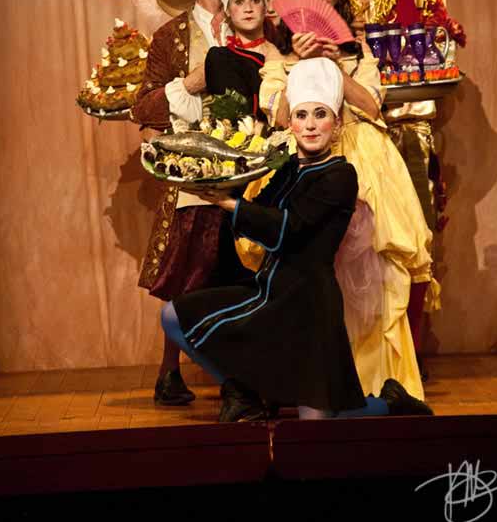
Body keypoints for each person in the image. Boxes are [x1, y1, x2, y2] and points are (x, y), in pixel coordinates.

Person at [160, 58, 434, 421]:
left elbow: (288, 229)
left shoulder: (341, 175)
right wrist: (221, 183)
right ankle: (241, 393)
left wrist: (229, 204)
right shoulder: (287, 169)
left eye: (320, 115)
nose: (310, 124)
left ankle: (390, 403)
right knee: (172, 315)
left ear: (336, 124)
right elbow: (255, 216)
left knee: (316, 420)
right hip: (269, 294)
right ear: (291, 124)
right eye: (302, 115)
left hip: (310, 309)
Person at [258, 0, 433, 401]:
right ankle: (315, 383)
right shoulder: (277, 60)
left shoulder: (359, 55)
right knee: (311, 270)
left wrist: (335, 67)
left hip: (363, 163)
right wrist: (303, 68)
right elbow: (280, 117)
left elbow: (373, 106)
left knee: (374, 274)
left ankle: (376, 383)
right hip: (305, 160)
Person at [326, 0, 467, 359]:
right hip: (349, 135)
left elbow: (444, 55)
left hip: (406, 132)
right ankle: (357, 354)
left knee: (411, 242)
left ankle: (412, 355)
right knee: (353, 245)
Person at [132, 0, 256, 406]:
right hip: (197, 171)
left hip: (254, 166)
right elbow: (143, 107)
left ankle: (246, 375)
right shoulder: (171, 38)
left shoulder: (256, 23)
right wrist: (189, 84)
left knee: (248, 270)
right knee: (192, 271)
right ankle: (175, 371)